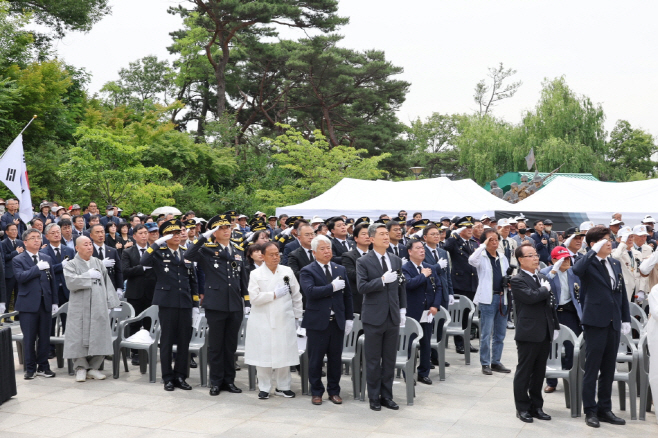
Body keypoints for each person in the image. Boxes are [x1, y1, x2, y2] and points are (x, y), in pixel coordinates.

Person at [185, 214, 250, 396]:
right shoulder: (207, 249)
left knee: (230, 346)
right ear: (214, 232)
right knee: (215, 346)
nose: (226, 230)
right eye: (221, 228)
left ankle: (229, 381)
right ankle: (216, 381)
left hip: (235, 304)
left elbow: (242, 278)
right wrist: (203, 237)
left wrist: (246, 301)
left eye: (228, 227)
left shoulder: (237, 249)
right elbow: (188, 255)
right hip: (216, 304)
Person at [573, 226, 631, 428]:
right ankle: (590, 409)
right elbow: (576, 270)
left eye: (610, 239)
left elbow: (621, 291)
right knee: (592, 367)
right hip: (595, 321)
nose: (610, 242)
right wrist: (591, 252)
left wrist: (625, 318)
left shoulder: (614, 262)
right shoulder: (588, 263)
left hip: (613, 321)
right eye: (605, 239)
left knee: (609, 368)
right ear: (594, 243)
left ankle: (605, 408)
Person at [141, 219, 199, 392]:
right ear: (165, 236)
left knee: (183, 341)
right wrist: (157, 243)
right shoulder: (159, 252)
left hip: (185, 302)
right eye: (172, 233)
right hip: (167, 302)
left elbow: (193, 280)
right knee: (166, 341)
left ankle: (180, 375)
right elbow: (144, 261)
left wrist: (195, 303)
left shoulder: (186, 252)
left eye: (178, 232)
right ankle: (167, 377)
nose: (177, 236)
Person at [356, 223, 407, 411]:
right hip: (373, 316)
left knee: (389, 359)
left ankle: (387, 396)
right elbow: (361, 287)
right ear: (371, 239)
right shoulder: (363, 261)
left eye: (387, 234)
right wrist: (382, 281)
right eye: (382, 234)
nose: (386, 237)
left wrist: (403, 309)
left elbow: (401, 285)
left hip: (392, 315)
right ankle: (374, 397)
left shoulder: (395, 259)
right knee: (372, 360)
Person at [245, 242, 303, 400]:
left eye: (278, 254)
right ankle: (264, 387)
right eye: (272, 254)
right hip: (262, 319)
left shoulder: (287, 271)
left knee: (284, 353)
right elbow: (254, 298)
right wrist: (273, 294)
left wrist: (298, 316)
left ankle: (283, 386)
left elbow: (296, 294)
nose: (276, 257)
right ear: (262, 257)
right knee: (263, 354)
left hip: (284, 318)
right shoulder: (256, 274)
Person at [299, 235, 353, 405]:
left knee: (335, 359)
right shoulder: (308, 270)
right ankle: (316, 391)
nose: (327, 251)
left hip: (336, 321)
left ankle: (334, 391)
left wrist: (349, 318)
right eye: (322, 249)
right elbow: (310, 292)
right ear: (314, 252)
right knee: (315, 360)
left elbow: (348, 296)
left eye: (328, 248)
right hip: (317, 322)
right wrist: (332, 287)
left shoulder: (339, 269)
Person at [510, 244, 560, 423]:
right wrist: (544, 290)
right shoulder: (517, 279)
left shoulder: (541, 276)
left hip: (544, 330)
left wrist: (554, 326)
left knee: (539, 372)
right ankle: (522, 407)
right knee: (525, 371)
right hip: (529, 332)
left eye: (536, 255)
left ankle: (536, 406)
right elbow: (530, 297)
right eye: (530, 255)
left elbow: (550, 304)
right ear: (521, 260)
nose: (535, 258)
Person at [62, 236, 120, 382]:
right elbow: (70, 282)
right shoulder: (71, 264)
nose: (89, 247)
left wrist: (110, 303)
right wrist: (87, 276)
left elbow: (107, 282)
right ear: (77, 248)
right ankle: (80, 368)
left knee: (100, 334)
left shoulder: (98, 262)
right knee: (77, 336)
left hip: (98, 305)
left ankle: (94, 368)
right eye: (85, 244)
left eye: (90, 244)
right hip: (79, 306)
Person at [13, 228, 58, 379]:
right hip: (28, 305)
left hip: (45, 302)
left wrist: (54, 302)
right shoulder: (18, 259)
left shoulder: (46, 258)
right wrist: (36, 268)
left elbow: (52, 280)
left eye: (38, 237)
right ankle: (30, 368)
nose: (37, 240)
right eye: (33, 238)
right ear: (25, 242)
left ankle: (43, 366)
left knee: (45, 337)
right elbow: (20, 278)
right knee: (29, 338)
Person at [468, 229, 511, 375]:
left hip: (502, 297)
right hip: (488, 298)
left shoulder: (503, 257)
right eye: (490, 240)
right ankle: (485, 363)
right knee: (486, 333)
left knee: (500, 334)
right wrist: (482, 246)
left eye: (496, 239)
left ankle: (496, 362)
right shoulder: (482, 256)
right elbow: (471, 260)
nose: (494, 242)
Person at [540, 247, 582, 393]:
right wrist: (553, 272)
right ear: (553, 260)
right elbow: (542, 287)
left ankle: (570, 377)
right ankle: (551, 381)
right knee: (552, 347)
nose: (567, 261)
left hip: (570, 312)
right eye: (563, 259)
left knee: (572, 346)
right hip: (553, 313)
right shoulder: (546, 273)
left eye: (568, 258)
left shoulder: (574, 272)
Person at [402, 239, 442, 384]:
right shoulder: (405, 268)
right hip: (412, 311)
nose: (422, 250)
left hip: (428, 312)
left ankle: (423, 372)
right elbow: (409, 284)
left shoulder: (429, 266)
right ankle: (408, 373)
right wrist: (423, 275)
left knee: (426, 343)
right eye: (418, 248)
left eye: (423, 248)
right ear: (410, 251)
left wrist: (436, 305)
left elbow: (438, 287)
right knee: (410, 344)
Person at [120, 224, 157, 365]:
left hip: (151, 292)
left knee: (149, 323)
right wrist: (142, 268)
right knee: (134, 323)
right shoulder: (128, 252)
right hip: (135, 293)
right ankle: (135, 352)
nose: (144, 235)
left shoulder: (154, 250)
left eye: (145, 233)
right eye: (140, 233)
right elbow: (125, 271)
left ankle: (146, 349)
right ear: (134, 236)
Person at [443, 216, 479, 354]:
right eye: (466, 227)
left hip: (472, 283)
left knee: (469, 313)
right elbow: (446, 247)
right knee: (460, 315)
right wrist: (454, 234)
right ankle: (459, 344)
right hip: (460, 283)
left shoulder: (473, 243)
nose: (470, 230)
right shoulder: (455, 242)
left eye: (471, 227)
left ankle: (466, 341)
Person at [40, 223, 75, 357]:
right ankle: (50, 348)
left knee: (69, 320)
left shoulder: (69, 250)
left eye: (58, 232)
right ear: (47, 236)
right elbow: (46, 269)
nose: (57, 234)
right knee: (51, 321)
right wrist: (60, 266)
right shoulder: (43, 252)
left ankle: (69, 346)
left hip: (67, 289)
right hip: (51, 290)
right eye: (53, 232)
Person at [342, 222, 370, 314]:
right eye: (363, 234)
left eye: (369, 234)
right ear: (356, 238)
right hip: (357, 300)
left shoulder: (375, 255)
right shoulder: (348, 256)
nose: (367, 236)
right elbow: (353, 275)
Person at [89, 224, 123, 298]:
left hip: (110, 286)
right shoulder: (88, 251)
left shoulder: (112, 251)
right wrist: (101, 264)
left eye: (102, 232)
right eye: (97, 232)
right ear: (91, 235)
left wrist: (120, 287)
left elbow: (118, 270)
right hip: (94, 288)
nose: (101, 235)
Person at [611, 226, 641, 303]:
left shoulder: (637, 253)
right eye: (627, 237)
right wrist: (622, 243)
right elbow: (615, 257)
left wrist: (642, 290)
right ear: (619, 239)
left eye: (632, 237)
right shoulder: (615, 252)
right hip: (624, 288)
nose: (630, 239)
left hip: (636, 289)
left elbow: (641, 272)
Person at [3, 223, 24, 321]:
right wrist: (16, 252)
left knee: (19, 294)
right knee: (7, 295)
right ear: (7, 232)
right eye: (12, 230)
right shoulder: (3, 243)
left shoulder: (20, 242)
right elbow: (4, 257)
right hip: (9, 273)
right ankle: (6, 316)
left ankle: (17, 314)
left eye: (15, 229)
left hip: (19, 272)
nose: (14, 232)